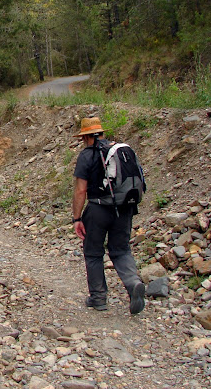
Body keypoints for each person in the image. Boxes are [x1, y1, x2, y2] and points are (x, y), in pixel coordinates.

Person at [71, 117, 146, 314]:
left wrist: (77, 218)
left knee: (94, 252)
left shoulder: (87, 155)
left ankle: (98, 298)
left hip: (98, 209)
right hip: (125, 208)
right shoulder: (119, 150)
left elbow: (80, 191)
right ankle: (133, 283)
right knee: (121, 250)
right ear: (102, 133)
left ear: (86, 137)